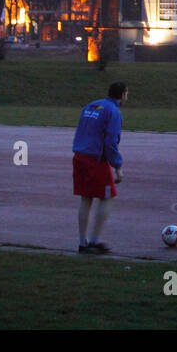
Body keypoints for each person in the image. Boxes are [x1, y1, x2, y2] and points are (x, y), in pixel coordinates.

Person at [72, 81, 126, 254]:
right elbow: (111, 142)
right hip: (95, 159)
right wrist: (117, 166)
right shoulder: (113, 111)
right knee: (108, 196)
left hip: (79, 156)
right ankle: (94, 240)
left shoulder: (91, 105)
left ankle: (82, 242)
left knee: (86, 198)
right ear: (123, 94)